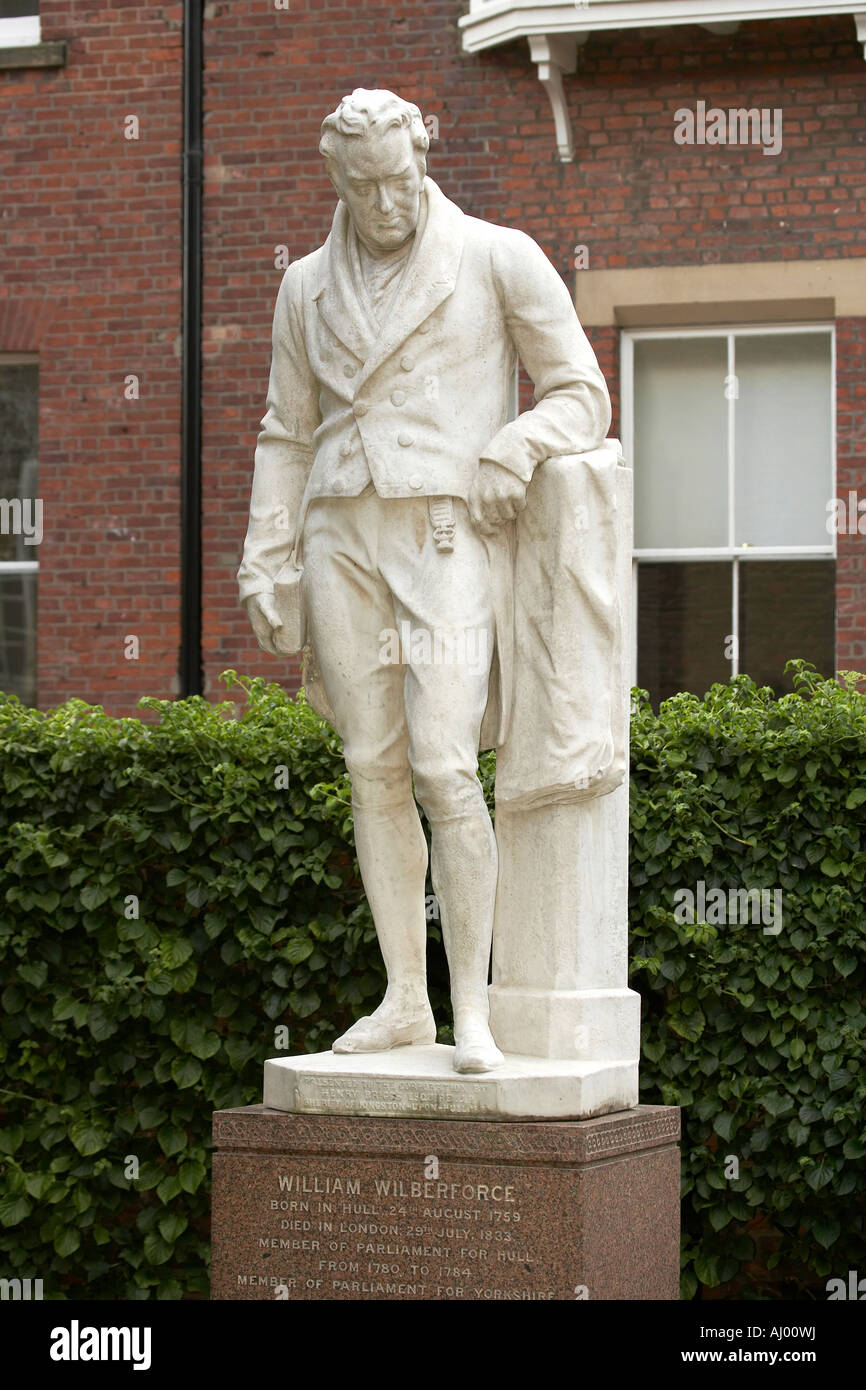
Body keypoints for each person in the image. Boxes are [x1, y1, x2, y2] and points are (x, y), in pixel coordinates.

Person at [238, 89, 610, 1073]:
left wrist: (516, 444)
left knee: (444, 765)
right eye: (364, 189)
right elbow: (283, 432)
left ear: (421, 161)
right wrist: (264, 555)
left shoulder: (496, 256)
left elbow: (581, 391)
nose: (386, 203)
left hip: (443, 537)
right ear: (339, 183)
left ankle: (471, 1008)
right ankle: (405, 999)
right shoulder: (304, 286)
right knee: (372, 766)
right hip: (338, 535)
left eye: (398, 181)